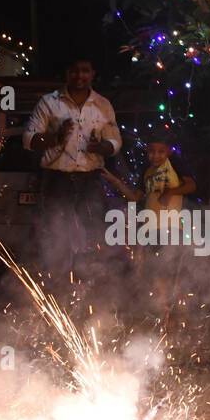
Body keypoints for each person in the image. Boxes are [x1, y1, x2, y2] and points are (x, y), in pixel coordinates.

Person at [23, 56, 122, 291]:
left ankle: (88, 289)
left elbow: (115, 141)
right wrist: (55, 138)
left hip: (90, 179)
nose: (80, 76)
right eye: (75, 71)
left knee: (92, 234)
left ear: (93, 74)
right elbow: (28, 139)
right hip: (58, 179)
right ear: (67, 73)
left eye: (85, 71)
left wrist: (101, 147)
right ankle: (57, 289)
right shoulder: (49, 103)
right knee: (57, 236)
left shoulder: (103, 104)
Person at [100, 135, 197, 320]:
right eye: (152, 151)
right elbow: (136, 197)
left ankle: (176, 315)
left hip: (172, 227)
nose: (156, 156)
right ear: (147, 151)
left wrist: (171, 192)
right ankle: (162, 312)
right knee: (154, 271)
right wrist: (115, 182)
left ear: (168, 151)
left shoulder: (174, 165)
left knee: (170, 271)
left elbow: (191, 185)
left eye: (161, 151)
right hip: (151, 228)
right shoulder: (147, 170)